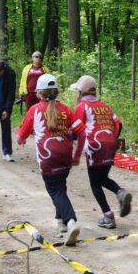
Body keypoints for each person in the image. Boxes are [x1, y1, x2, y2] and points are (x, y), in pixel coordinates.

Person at [16, 74, 86, 245]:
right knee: (60, 186)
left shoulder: (35, 110)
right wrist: (77, 155)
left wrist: (21, 140)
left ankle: (71, 222)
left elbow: (21, 135)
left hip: (48, 157)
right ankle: (61, 221)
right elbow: (82, 132)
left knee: (55, 191)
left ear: (39, 93)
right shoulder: (66, 109)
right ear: (56, 91)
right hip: (65, 155)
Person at [71, 75, 132, 229]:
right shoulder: (104, 105)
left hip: (94, 145)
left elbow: (75, 130)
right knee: (103, 177)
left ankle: (108, 216)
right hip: (110, 143)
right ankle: (120, 192)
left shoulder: (81, 106)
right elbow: (118, 124)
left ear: (80, 92)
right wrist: (111, 138)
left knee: (94, 183)